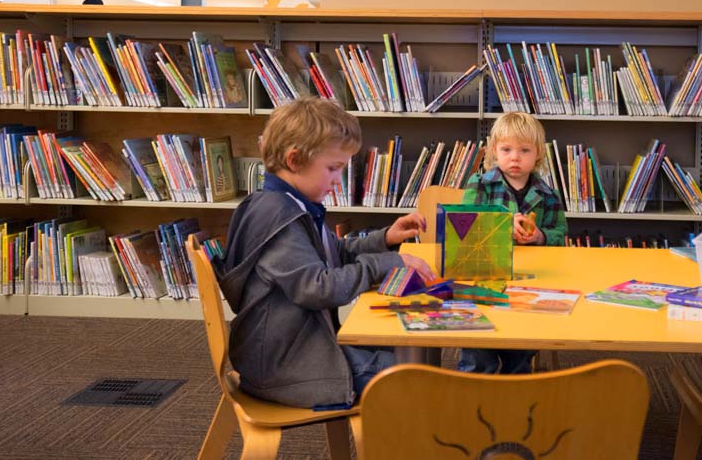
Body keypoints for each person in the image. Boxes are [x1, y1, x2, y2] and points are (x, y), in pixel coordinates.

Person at [215, 97, 434, 408]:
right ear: (294, 160)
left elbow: (334, 254)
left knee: (409, 355)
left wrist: (385, 239)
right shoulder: (280, 219)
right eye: (333, 168)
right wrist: (387, 263)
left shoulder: (291, 204)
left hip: (297, 349)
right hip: (284, 365)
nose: (337, 179)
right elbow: (319, 288)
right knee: (411, 378)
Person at [457, 111, 567, 374]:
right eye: (506, 149)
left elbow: (560, 235)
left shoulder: (548, 194)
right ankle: (472, 394)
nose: (515, 157)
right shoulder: (480, 185)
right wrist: (503, 226)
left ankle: (515, 398)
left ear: (538, 154)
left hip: (529, 282)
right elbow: (464, 227)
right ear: (494, 151)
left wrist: (540, 236)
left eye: (524, 150)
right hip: (484, 276)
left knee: (520, 350)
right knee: (477, 350)